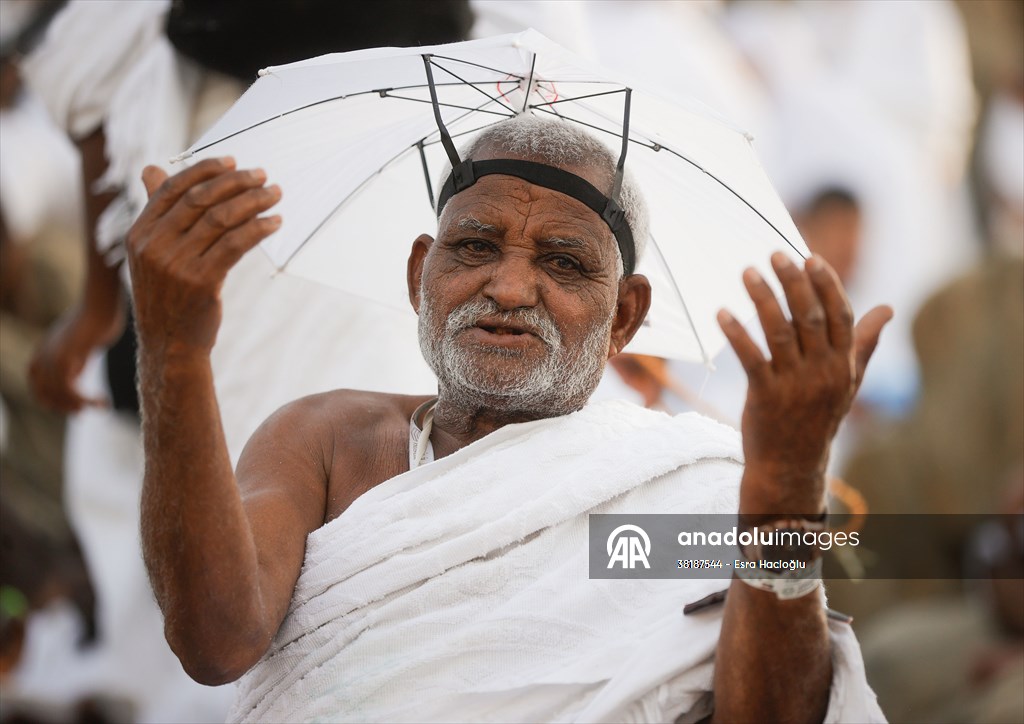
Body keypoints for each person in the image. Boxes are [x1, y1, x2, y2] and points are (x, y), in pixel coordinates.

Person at [129, 115, 891, 722]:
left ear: (625, 315)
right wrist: (173, 352)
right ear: (419, 274)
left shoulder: (670, 492)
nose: (512, 286)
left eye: (563, 262)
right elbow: (216, 641)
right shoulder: (327, 441)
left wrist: (787, 484)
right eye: (475, 246)